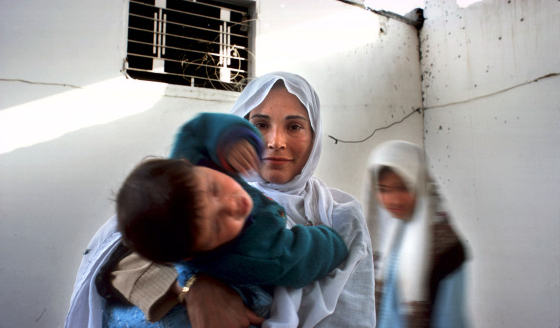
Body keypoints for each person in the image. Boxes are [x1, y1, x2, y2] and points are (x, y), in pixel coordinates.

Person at [65, 72, 376, 328]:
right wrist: (192, 288)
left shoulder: (340, 215)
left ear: (315, 134)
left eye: (294, 126)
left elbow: (352, 316)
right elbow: (112, 265)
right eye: (260, 124)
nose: (275, 142)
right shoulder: (180, 191)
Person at [116, 112, 348, 295]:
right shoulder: (256, 253)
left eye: (215, 188)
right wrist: (330, 237)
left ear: (189, 164)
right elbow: (303, 258)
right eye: (217, 226)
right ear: (194, 254)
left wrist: (229, 139)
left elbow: (197, 129)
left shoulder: (185, 176)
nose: (232, 205)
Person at [366, 140, 469, 328]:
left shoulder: (447, 249)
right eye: (384, 190)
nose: (393, 200)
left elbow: (451, 320)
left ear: (419, 184)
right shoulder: (389, 237)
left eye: (403, 187)